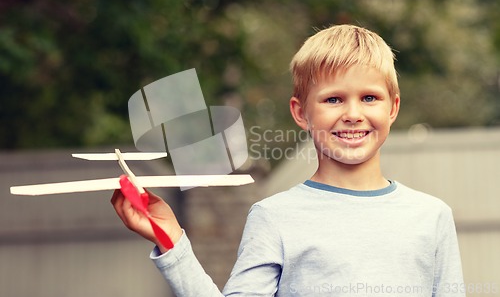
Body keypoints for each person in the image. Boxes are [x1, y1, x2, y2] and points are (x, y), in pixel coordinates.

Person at [111, 24, 465, 296]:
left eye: (370, 97)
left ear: (394, 107)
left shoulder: (431, 217)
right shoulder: (274, 218)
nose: (353, 113)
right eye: (333, 100)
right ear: (300, 112)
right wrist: (172, 241)